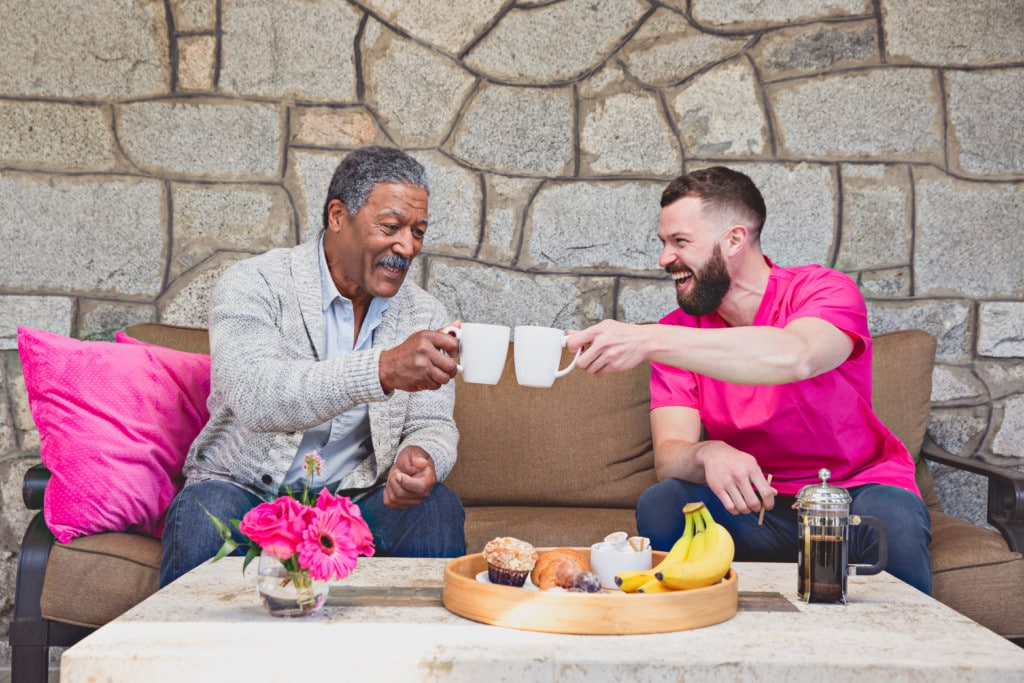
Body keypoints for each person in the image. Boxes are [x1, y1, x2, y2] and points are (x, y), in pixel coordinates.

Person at [565, 166, 932, 594]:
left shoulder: (823, 291)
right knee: (662, 502)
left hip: (852, 497)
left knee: (896, 515)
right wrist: (708, 452)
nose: (665, 259)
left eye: (680, 242)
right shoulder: (677, 335)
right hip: (754, 505)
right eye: (664, 243)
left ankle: (910, 654)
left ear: (735, 240)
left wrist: (648, 338)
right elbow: (669, 459)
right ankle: (679, 644)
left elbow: (797, 356)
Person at [160, 146, 466, 586]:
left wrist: (421, 457)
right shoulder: (255, 284)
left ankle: (415, 655)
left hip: (354, 500)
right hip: (244, 491)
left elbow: (433, 422)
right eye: (391, 227)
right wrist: (380, 369)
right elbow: (257, 397)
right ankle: (193, 654)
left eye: (418, 231)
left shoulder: (425, 314)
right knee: (201, 518)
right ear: (338, 216)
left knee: (436, 508)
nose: (407, 246)